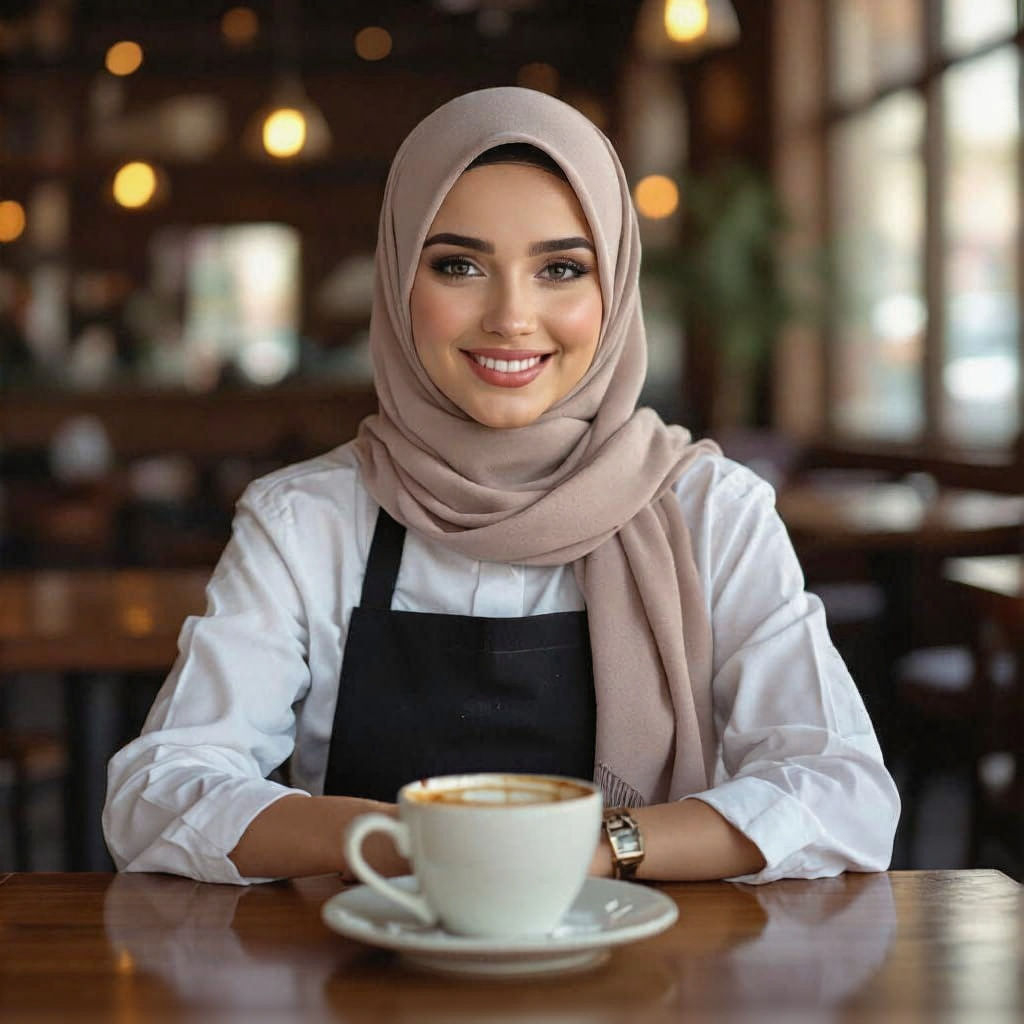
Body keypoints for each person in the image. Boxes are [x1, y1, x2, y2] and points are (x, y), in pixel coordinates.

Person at [103, 87, 899, 885]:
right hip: (363, 978)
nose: (512, 316)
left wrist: (595, 849)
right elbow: (156, 793)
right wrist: (411, 842)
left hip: (647, 982)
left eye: (560, 268)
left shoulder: (710, 512)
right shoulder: (306, 520)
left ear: (614, 289)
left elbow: (845, 793)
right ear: (398, 282)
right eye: (459, 265)